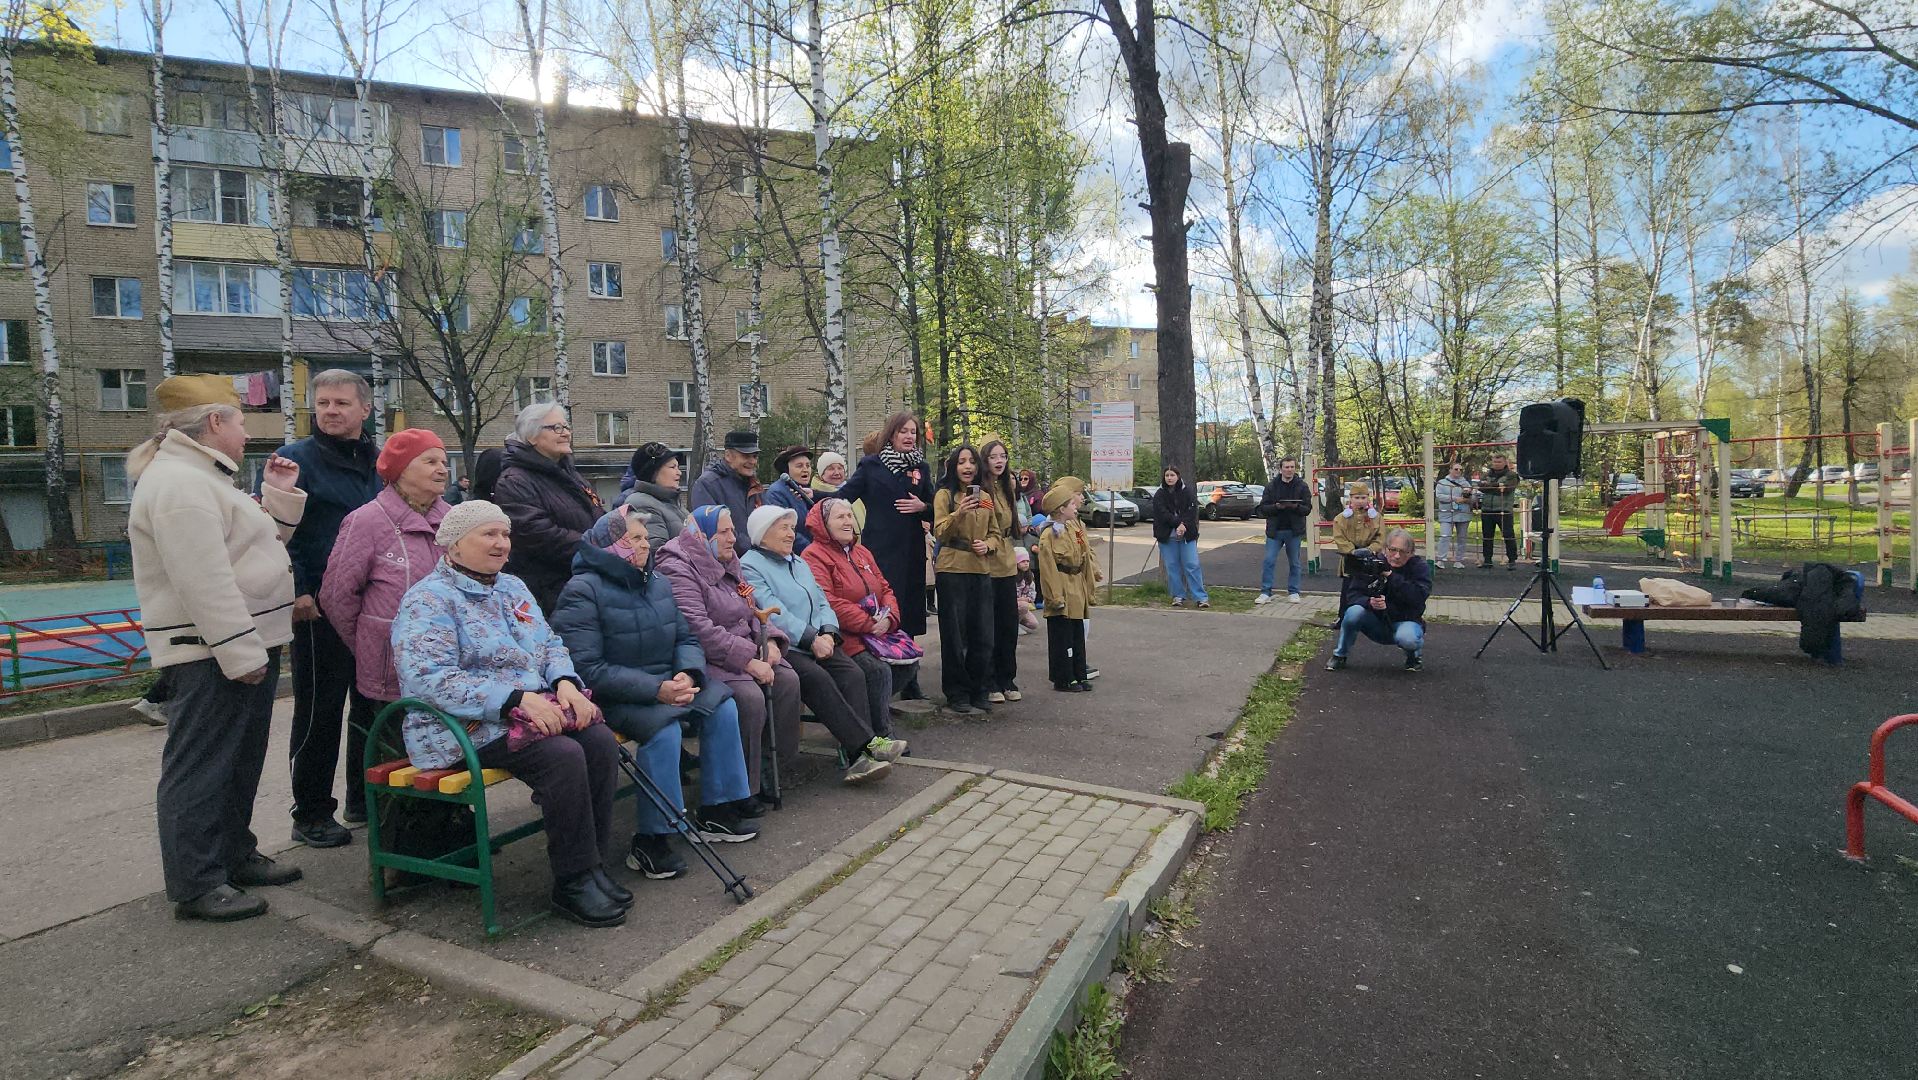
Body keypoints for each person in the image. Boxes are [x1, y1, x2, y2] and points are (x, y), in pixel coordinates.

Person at [390, 501, 628, 928]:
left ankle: (591, 865)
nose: (502, 544)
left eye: (505, 534)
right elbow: (429, 677)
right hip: (459, 726)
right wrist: (515, 699)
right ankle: (572, 881)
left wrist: (565, 683)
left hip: (528, 713)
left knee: (597, 743)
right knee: (563, 757)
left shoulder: (512, 587)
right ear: (454, 544)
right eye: (489, 535)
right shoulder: (428, 600)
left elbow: (549, 642)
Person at [129, 374, 308, 922]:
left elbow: (249, 550)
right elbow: (201, 579)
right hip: (211, 653)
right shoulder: (180, 484)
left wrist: (277, 496)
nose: (243, 432)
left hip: (236, 648)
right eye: (238, 420)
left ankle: (233, 854)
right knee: (202, 769)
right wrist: (240, 652)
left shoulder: (203, 477)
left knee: (237, 762)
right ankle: (198, 882)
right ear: (214, 423)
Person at [552, 507, 761, 880]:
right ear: (611, 546)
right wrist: (656, 689)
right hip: (620, 694)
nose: (646, 545)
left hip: (669, 680)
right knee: (665, 732)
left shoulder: (656, 581)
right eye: (635, 538)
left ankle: (717, 809)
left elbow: (686, 637)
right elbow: (587, 668)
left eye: (646, 538)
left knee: (722, 704)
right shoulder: (582, 591)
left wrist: (687, 672)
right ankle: (652, 838)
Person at [275, 369, 382, 848]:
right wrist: (298, 588)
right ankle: (312, 811)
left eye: (341, 403)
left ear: (365, 409)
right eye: (322, 404)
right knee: (319, 711)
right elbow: (280, 532)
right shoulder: (294, 461)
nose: (330, 412)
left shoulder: (380, 465)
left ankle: (366, 798)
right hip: (317, 608)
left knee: (372, 704)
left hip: (373, 607)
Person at [318, 427, 452, 750]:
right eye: (430, 460)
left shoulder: (453, 519)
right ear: (401, 470)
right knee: (382, 754)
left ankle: (446, 805)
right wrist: (371, 639)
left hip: (446, 665)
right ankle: (364, 804)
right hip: (387, 670)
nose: (442, 469)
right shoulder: (366, 521)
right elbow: (336, 597)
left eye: (444, 462)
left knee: (441, 750)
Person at [740, 506, 903, 771]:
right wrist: (810, 638)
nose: (791, 534)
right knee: (818, 679)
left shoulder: (798, 562)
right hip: (786, 645)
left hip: (819, 639)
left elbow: (822, 601)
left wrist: (827, 632)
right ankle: (865, 749)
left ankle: (860, 756)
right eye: (783, 528)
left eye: (792, 528)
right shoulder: (750, 565)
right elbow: (772, 612)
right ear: (763, 533)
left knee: (852, 673)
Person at [803, 497, 921, 730]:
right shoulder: (813, 555)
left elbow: (885, 588)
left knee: (908, 664)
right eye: (840, 517)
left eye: (850, 515)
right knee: (878, 671)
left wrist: (890, 618)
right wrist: (868, 624)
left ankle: (861, 718)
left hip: (878, 631)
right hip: (843, 636)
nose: (848, 521)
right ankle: (880, 733)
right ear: (823, 524)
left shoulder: (862, 552)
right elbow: (827, 601)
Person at [837, 412, 935, 654]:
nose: (910, 436)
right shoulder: (872, 466)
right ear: (891, 434)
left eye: (913, 432)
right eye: (904, 431)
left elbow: (935, 508)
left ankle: (909, 665)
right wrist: (812, 496)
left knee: (909, 609)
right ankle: (882, 659)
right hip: (880, 551)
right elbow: (843, 497)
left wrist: (923, 507)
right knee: (883, 607)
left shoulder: (921, 467)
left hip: (911, 550)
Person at [493, 404, 605, 614]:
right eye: (556, 428)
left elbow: (596, 512)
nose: (566, 433)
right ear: (532, 436)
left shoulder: (570, 474)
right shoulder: (515, 481)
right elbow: (538, 535)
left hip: (583, 583)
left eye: (566, 427)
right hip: (548, 594)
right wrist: (596, 547)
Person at [931, 445, 999, 714]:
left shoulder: (985, 497)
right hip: (952, 569)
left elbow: (995, 531)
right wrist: (959, 512)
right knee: (954, 636)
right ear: (953, 467)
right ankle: (956, 693)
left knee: (983, 635)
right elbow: (939, 532)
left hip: (980, 569)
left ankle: (979, 690)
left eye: (972, 462)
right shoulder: (945, 495)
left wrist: (989, 545)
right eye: (962, 462)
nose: (968, 467)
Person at [1327, 527, 1431, 672]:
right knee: (1353, 612)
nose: (1396, 556)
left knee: (1409, 638)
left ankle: (1413, 657)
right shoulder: (1371, 564)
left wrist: (1390, 576)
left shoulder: (1419, 567)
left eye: (1403, 552)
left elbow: (1418, 597)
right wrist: (1369, 603)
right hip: (1375, 622)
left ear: (1411, 553)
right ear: (1384, 549)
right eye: (1392, 550)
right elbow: (1352, 595)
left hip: (1404, 620)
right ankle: (1340, 655)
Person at [1036, 476, 1099, 693]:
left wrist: (1089, 587)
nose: (1076, 505)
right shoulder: (1048, 535)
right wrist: (1055, 597)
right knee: (1062, 639)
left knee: (1076, 635)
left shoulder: (1073, 528)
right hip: (1061, 588)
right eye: (1072, 503)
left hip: (1076, 587)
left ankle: (1079, 673)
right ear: (1061, 509)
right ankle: (1064, 677)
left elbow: (1083, 557)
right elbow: (1048, 569)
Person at [976, 440, 1024, 701]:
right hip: (987, 560)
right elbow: (981, 523)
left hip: (1006, 558)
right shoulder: (981, 490)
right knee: (989, 625)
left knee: (1008, 624)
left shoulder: (1007, 487)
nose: (999, 461)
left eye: (1003, 456)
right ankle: (990, 680)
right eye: (993, 456)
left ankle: (1008, 678)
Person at [689, 430, 764, 557]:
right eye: (746, 456)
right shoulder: (708, 484)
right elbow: (712, 529)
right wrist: (756, 551)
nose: (752, 461)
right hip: (724, 564)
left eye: (755, 456)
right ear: (728, 455)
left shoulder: (753, 484)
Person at [1254, 457, 1312, 605]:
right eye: (1286, 467)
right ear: (1281, 469)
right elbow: (1262, 508)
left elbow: (1307, 508)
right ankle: (1265, 592)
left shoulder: (1302, 486)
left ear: (1295, 468)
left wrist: (1295, 507)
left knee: (1295, 563)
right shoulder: (1272, 486)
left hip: (1293, 531)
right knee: (1269, 561)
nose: (1289, 470)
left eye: (1292, 467)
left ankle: (1294, 592)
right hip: (1275, 531)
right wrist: (1276, 507)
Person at [1150, 467, 1208, 609]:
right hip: (1167, 537)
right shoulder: (1159, 494)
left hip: (1187, 536)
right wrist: (1178, 523)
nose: (1169, 478)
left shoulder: (1187, 491)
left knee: (1192, 565)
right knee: (1172, 567)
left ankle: (1201, 597)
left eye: (1172, 475)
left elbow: (1191, 510)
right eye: (1167, 475)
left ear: (1178, 476)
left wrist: (1184, 525)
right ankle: (1178, 595)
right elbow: (1163, 513)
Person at [622, 441, 689, 549]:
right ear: (653, 473)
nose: (679, 473)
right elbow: (658, 553)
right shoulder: (641, 504)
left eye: (678, 467)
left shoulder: (671, 502)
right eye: (672, 467)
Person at [763, 445, 817, 552]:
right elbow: (784, 529)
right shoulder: (776, 493)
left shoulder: (809, 491)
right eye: (799, 466)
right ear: (786, 470)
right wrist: (812, 550)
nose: (805, 469)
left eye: (808, 465)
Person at [1478, 451, 1520, 570]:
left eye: (1499, 461)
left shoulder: (1512, 475)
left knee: (1508, 535)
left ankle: (1512, 560)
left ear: (1505, 462)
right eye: (1495, 461)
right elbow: (1481, 487)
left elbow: (1506, 489)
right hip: (1487, 509)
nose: (1496, 464)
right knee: (1487, 536)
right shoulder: (1487, 474)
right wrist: (1497, 486)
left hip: (1503, 510)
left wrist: (1489, 486)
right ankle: (1487, 560)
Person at [1434, 460, 1474, 570]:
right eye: (1456, 469)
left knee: (1462, 538)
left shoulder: (1466, 483)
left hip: (1463, 514)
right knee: (1445, 536)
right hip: (1447, 513)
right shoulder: (1442, 482)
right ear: (1450, 470)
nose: (1458, 471)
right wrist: (1455, 499)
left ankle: (1458, 560)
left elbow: (1474, 498)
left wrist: (1467, 497)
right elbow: (1439, 496)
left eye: (1460, 469)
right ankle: (1440, 560)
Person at [1331, 482, 1385, 554]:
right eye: (1356, 498)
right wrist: (1351, 550)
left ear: (1368, 498)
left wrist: (1370, 549)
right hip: (1349, 556)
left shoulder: (1377, 518)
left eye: (1363, 498)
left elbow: (1381, 538)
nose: (1360, 501)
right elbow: (1339, 538)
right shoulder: (1340, 518)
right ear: (1351, 498)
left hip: (1371, 556)